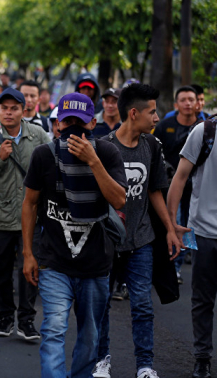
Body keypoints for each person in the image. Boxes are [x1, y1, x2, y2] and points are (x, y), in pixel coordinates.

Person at [21, 92, 127, 378]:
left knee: (90, 337)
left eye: (79, 123)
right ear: (57, 125)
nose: (73, 129)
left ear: (93, 124)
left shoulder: (107, 153)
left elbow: (119, 200)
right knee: (54, 329)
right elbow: (30, 203)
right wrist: (28, 254)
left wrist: (93, 161)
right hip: (54, 262)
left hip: (95, 264)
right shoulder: (44, 155)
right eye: (67, 121)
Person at [94, 84, 181, 378]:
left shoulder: (152, 147)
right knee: (101, 304)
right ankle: (101, 360)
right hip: (107, 241)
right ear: (134, 113)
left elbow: (156, 191)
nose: (156, 118)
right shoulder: (104, 147)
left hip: (141, 239)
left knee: (142, 304)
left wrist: (169, 229)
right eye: (152, 112)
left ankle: (145, 365)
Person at [0, 87, 49, 340]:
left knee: (29, 268)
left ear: (23, 110)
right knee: (1, 270)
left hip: (33, 216)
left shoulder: (39, 135)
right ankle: (5, 317)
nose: (9, 112)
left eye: (14, 108)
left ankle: (26, 320)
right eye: (4, 108)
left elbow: (51, 168)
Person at [166, 115, 217, 378]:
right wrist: (171, 222)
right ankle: (202, 358)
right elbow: (180, 177)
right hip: (205, 232)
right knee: (202, 300)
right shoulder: (205, 131)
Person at [153, 86, 199, 284]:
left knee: (192, 227)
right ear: (176, 104)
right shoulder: (164, 126)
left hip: (197, 189)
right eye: (183, 100)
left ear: (197, 103)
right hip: (172, 187)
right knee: (175, 222)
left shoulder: (205, 127)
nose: (187, 103)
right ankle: (175, 266)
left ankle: (190, 262)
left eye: (191, 99)